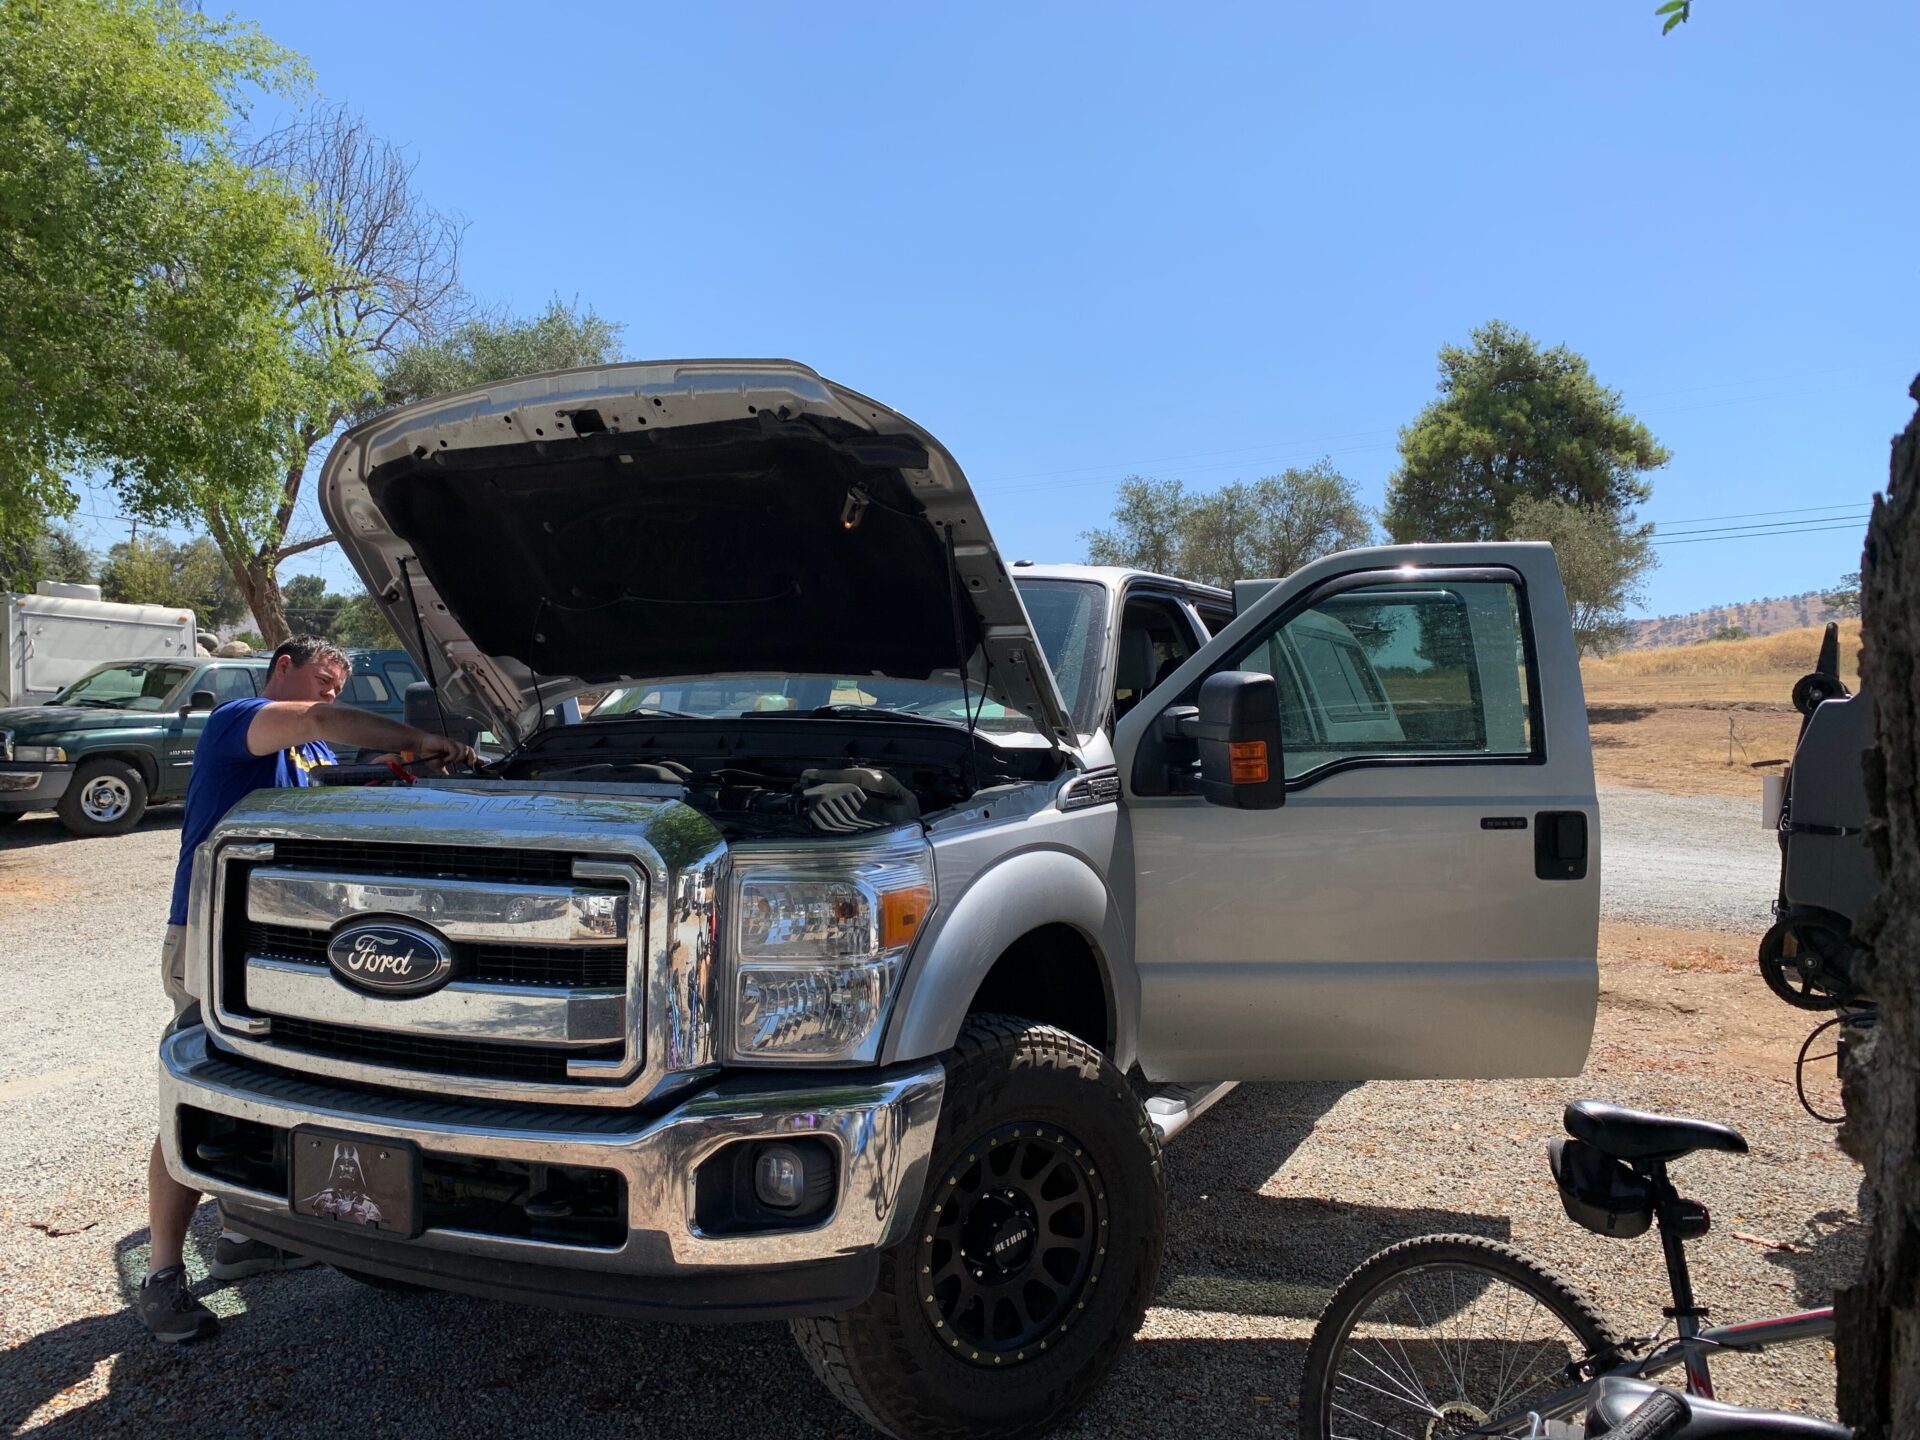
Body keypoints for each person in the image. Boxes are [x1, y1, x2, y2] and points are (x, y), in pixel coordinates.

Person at [137, 636, 473, 1341]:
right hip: (210, 937)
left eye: (336, 685)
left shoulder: (314, 756)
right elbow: (321, 723)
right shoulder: (239, 720)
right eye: (321, 680)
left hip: (294, 945)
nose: (328, 696)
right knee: (200, 1091)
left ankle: (239, 1237)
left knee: (275, 1086)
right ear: (281, 667)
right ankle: (163, 1274)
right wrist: (416, 735)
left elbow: (343, 780)